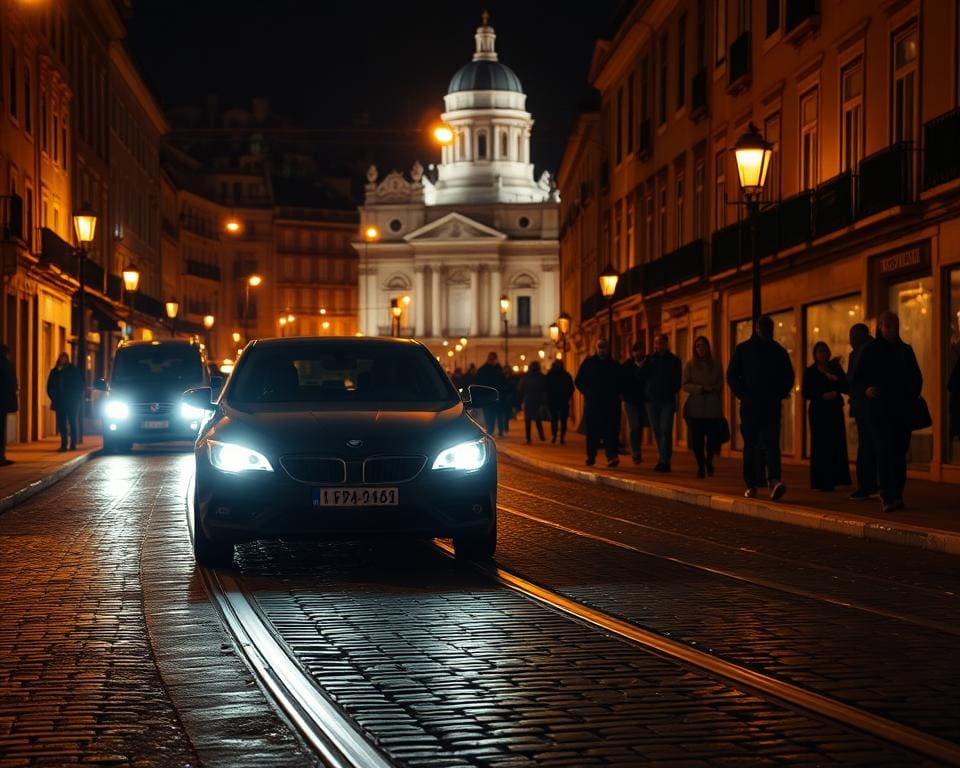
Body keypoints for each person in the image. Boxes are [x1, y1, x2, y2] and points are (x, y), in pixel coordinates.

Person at [850, 311, 923, 514]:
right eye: (888, 326)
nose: (892, 330)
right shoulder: (870, 350)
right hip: (879, 410)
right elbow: (856, 378)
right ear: (880, 327)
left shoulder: (905, 350)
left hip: (901, 410)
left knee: (899, 453)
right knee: (884, 452)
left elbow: (916, 377)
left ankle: (897, 493)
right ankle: (888, 494)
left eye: (895, 326)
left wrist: (910, 394)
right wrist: (866, 390)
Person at [726, 315, 795, 500]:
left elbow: (732, 376)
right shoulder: (774, 350)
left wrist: (744, 394)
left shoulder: (747, 349)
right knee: (762, 444)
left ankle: (763, 482)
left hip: (758, 404)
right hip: (761, 404)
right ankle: (764, 481)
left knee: (758, 444)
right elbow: (732, 376)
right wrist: (776, 394)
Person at [802, 342, 851, 491]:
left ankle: (837, 478)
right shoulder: (810, 371)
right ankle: (821, 481)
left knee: (836, 442)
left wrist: (836, 381)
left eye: (825, 351)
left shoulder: (835, 368)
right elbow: (806, 392)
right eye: (819, 352)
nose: (822, 354)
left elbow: (846, 386)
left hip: (834, 409)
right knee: (820, 444)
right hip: (819, 411)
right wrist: (821, 395)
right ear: (815, 355)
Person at [575, 338, 622, 467]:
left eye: (604, 347)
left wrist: (618, 394)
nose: (602, 350)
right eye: (600, 347)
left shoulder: (614, 364)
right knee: (592, 431)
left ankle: (612, 456)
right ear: (596, 348)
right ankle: (591, 456)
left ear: (608, 349)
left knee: (611, 431)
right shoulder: (589, 363)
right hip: (593, 403)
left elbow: (621, 382)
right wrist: (588, 392)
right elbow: (578, 381)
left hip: (610, 404)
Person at [682, 336, 724, 478]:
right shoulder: (690, 365)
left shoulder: (716, 365)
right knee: (697, 439)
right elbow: (685, 384)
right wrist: (699, 389)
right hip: (695, 407)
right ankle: (700, 466)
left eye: (703, 345)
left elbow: (720, 384)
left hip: (712, 407)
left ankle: (709, 460)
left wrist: (713, 391)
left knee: (712, 438)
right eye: (698, 346)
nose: (700, 348)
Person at [640, 333, 682, 472]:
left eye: (660, 343)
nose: (658, 346)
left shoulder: (674, 360)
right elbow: (640, 376)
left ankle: (665, 460)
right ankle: (661, 458)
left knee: (665, 429)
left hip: (667, 401)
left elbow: (677, 381)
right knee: (657, 429)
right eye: (656, 343)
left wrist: (669, 390)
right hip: (651, 401)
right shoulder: (650, 359)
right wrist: (643, 364)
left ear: (666, 344)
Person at [846, 323, 877, 500]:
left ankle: (867, 485)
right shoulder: (861, 351)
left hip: (867, 406)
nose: (850, 340)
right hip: (864, 405)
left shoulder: (865, 351)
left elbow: (853, 379)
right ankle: (870, 484)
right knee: (869, 446)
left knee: (867, 447)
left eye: (853, 336)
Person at [47, 352, 85, 452]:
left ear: (67, 359)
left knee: (72, 421)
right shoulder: (55, 371)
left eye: (64, 358)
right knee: (61, 423)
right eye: (61, 358)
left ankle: (73, 443)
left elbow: (80, 385)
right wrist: (53, 396)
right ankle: (64, 444)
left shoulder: (73, 370)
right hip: (60, 401)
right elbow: (50, 386)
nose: (63, 360)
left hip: (72, 401)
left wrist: (76, 396)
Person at [621, 341, 649, 464]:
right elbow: (621, 381)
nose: (637, 353)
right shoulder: (627, 365)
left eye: (639, 351)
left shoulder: (649, 364)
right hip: (630, 400)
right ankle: (636, 453)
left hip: (645, 400)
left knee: (640, 426)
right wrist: (623, 395)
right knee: (635, 425)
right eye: (635, 351)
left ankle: (637, 450)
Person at [474, 352, 506, 435]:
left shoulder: (483, 370)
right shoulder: (498, 370)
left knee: (492, 415)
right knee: (494, 415)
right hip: (492, 396)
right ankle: (494, 431)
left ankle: (494, 431)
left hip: (490, 396)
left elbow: (478, 384)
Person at [546, 359, 574, 444]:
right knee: (555, 420)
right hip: (554, 400)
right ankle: (555, 435)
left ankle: (561, 437)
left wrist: (567, 396)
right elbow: (546, 388)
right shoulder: (552, 375)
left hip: (561, 400)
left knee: (562, 420)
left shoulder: (565, 375)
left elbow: (571, 388)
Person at [518, 360, 547, 444]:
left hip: (528, 399)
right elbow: (545, 389)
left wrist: (521, 400)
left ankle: (528, 438)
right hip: (537, 399)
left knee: (528, 419)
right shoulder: (541, 377)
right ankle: (541, 435)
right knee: (537, 419)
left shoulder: (526, 377)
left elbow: (521, 389)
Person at [0, 344, 16, 466]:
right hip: (3, 402)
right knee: (1, 430)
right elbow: (11, 383)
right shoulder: (6, 364)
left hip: (3, 401)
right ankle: (1, 457)